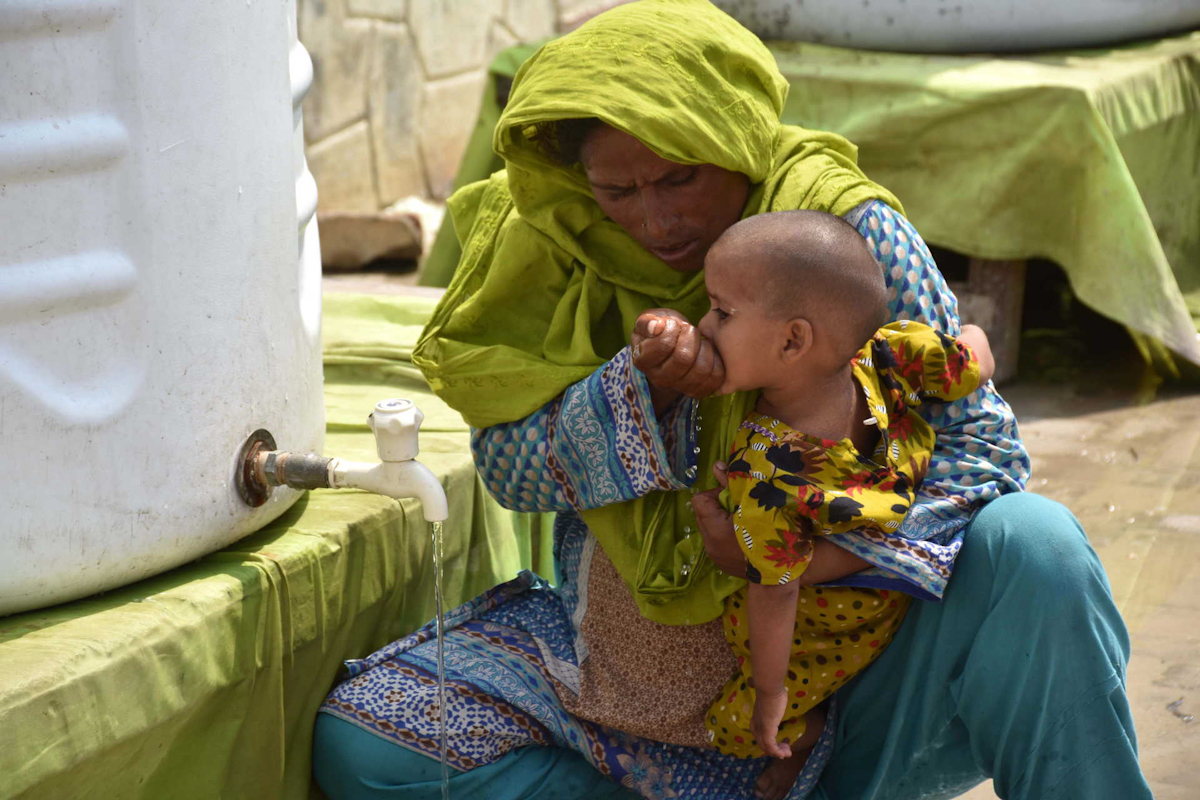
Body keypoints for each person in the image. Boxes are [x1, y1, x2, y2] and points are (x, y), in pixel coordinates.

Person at [312, 2, 1152, 798]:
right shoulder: (551, 240)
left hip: (847, 678)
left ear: (734, 144)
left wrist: (797, 560)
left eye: (679, 179)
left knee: (1036, 548)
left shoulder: (837, 232)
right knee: (367, 746)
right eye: (618, 191)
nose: (655, 221)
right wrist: (645, 392)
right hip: (615, 670)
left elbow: (980, 451)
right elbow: (506, 468)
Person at [640, 210, 994, 799]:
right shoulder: (893, 354)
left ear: (792, 341)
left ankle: (814, 739)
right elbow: (974, 365)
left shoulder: (765, 472)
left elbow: (775, 589)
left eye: (722, 312)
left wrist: (771, 694)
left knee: (733, 726)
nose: (703, 326)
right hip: (908, 582)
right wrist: (973, 334)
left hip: (833, 628)